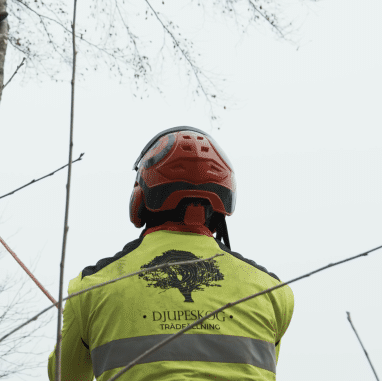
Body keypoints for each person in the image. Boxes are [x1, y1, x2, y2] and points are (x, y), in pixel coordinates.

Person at [48, 126, 294, 381]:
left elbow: (64, 376)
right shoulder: (274, 293)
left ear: (139, 197)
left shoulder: (91, 288)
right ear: (223, 203)